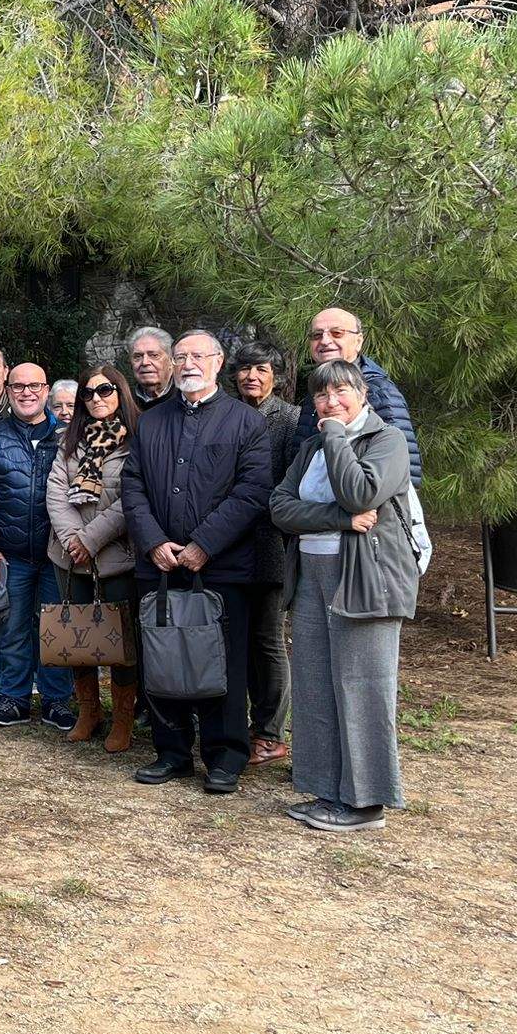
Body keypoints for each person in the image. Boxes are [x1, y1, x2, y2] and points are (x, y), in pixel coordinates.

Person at [270, 360, 421, 832]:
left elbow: (360, 492)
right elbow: (280, 507)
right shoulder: (312, 446)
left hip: (364, 577)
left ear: (363, 394)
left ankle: (366, 803)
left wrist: (336, 435)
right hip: (312, 572)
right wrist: (336, 518)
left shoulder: (386, 441)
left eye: (340, 391)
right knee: (315, 684)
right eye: (320, 395)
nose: (330, 401)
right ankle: (328, 790)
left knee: (361, 686)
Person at [120, 330, 271, 795]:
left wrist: (205, 543)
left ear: (218, 362)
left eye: (197, 356)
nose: (188, 364)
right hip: (160, 565)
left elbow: (252, 492)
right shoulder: (150, 422)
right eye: (180, 356)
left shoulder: (246, 422)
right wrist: (152, 542)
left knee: (222, 662)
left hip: (221, 568)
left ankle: (225, 756)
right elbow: (132, 486)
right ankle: (172, 752)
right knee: (162, 660)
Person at [0, 361, 74, 729]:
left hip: (57, 554)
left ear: (46, 391)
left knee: (56, 629)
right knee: (11, 628)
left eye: (34, 386)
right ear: (9, 391)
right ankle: (13, 698)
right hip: (10, 555)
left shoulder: (67, 438)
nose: (27, 393)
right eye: (19, 387)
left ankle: (58, 701)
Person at [44, 363, 142, 751]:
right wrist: (73, 541)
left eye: (104, 391)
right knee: (77, 638)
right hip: (70, 559)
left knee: (120, 644)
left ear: (120, 393)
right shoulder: (70, 441)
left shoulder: (137, 441)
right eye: (88, 393)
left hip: (116, 556)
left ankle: (122, 720)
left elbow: (130, 499)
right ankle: (89, 711)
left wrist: (90, 538)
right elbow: (55, 489)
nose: (96, 398)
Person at [233, 340, 300, 765]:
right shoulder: (226, 414)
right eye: (244, 369)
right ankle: (237, 724)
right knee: (234, 640)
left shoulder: (291, 420)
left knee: (267, 641)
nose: (251, 376)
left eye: (260, 369)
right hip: (226, 545)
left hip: (270, 544)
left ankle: (271, 731)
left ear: (275, 375)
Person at [296, 307, 423, 486]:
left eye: (337, 333)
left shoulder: (378, 391)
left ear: (358, 341)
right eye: (317, 335)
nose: (325, 341)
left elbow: (404, 466)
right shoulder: (316, 390)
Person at [127, 326, 175, 409]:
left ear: (171, 361)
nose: (145, 362)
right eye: (137, 356)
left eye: (154, 355)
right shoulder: (126, 402)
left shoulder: (188, 397)